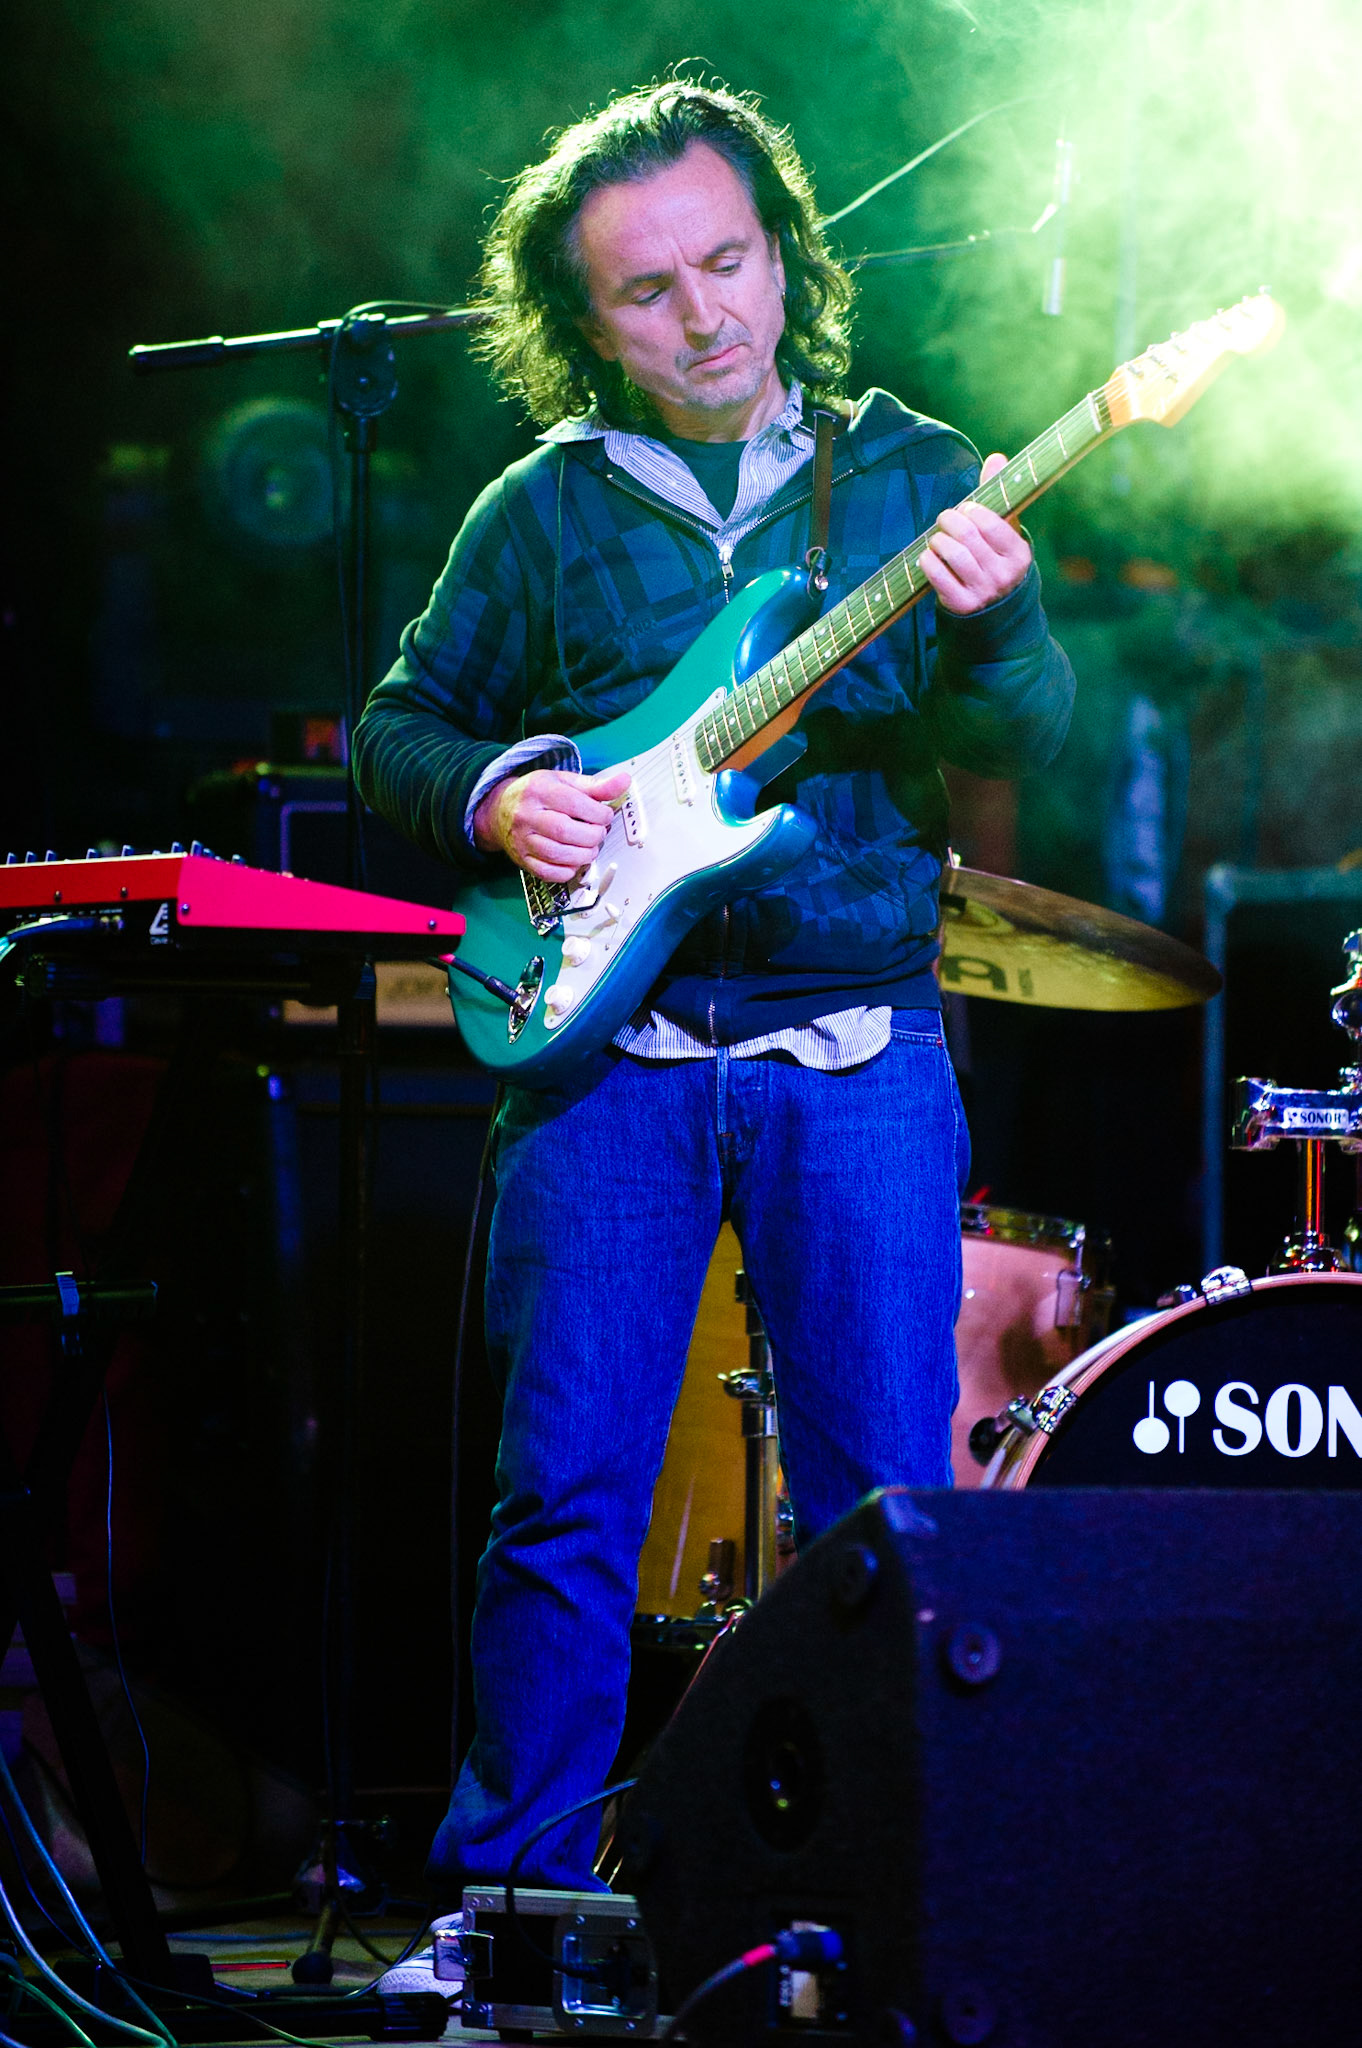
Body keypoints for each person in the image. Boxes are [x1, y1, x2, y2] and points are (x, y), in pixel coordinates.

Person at [353, 80, 1074, 1907]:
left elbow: (1021, 737)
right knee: (563, 1507)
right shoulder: (540, 510)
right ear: (585, 324)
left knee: (877, 1518)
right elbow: (397, 726)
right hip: (608, 1057)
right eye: (647, 290)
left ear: (783, 257)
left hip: (855, 1048)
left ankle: (874, 1905)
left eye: (728, 263)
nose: (702, 315)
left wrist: (996, 623)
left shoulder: (912, 471)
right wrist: (491, 794)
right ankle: (512, 1908)